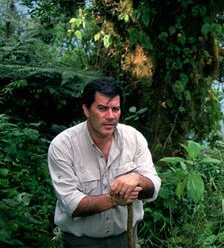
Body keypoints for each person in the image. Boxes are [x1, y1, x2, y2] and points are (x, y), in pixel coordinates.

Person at [48, 77, 161, 247]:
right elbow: (72, 204)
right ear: (86, 110)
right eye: (102, 108)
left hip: (127, 238)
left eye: (115, 109)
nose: (110, 116)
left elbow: (153, 187)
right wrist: (115, 200)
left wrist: (137, 180)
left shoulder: (134, 138)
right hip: (81, 243)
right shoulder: (63, 145)